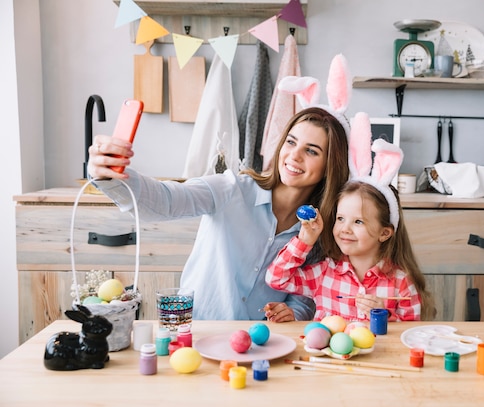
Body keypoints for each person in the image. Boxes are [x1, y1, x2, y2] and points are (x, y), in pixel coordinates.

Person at [87, 106, 350, 322]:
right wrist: (110, 176)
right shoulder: (231, 189)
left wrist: (294, 312)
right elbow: (165, 200)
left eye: (311, 151)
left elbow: (306, 294)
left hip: (262, 345)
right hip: (196, 331)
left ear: (329, 166)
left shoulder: (318, 231)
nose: (294, 155)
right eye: (291, 142)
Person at [266, 133, 436, 322]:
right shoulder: (324, 273)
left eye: (358, 222)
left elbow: (410, 334)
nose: (345, 229)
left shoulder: (401, 281)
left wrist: (385, 316)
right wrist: (304, 241)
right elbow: (276, 278)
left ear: (384, 233)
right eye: (340, 218)